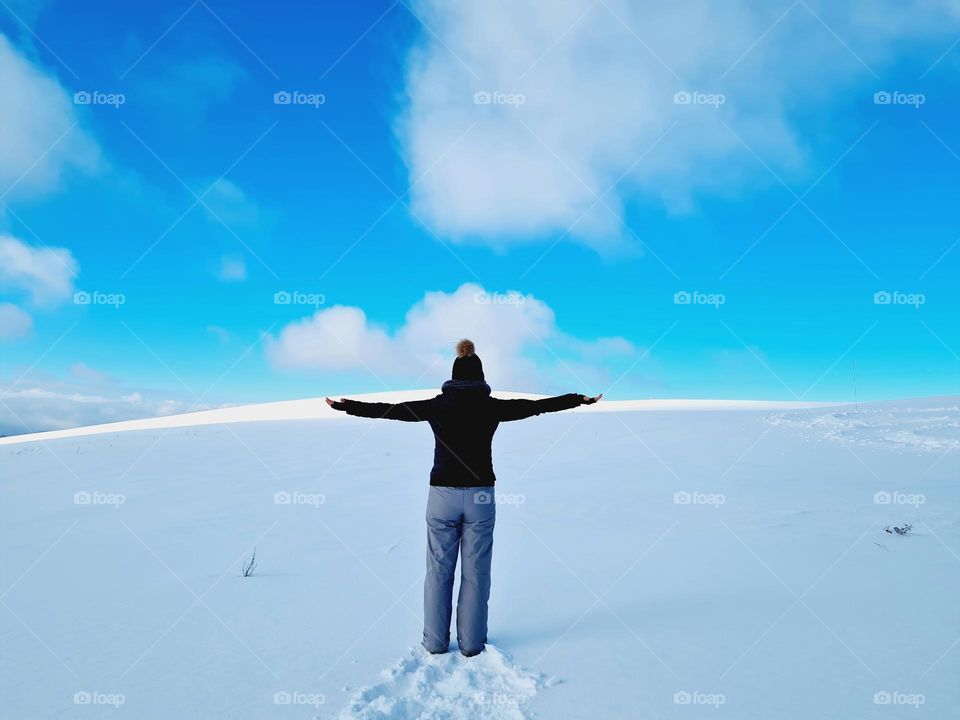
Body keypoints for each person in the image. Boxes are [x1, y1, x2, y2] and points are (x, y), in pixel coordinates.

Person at [326, 339, 602, 657]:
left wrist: (348, 406)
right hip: (481, 496)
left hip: (441, 495)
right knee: (476, 573)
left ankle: (434, 643)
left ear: (453, 376)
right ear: (481, 377)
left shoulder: (436, 404)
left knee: (438, 572)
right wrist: (577, 400)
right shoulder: (493, 405)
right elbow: (536, 406)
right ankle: (471, 645)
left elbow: (392, 412)